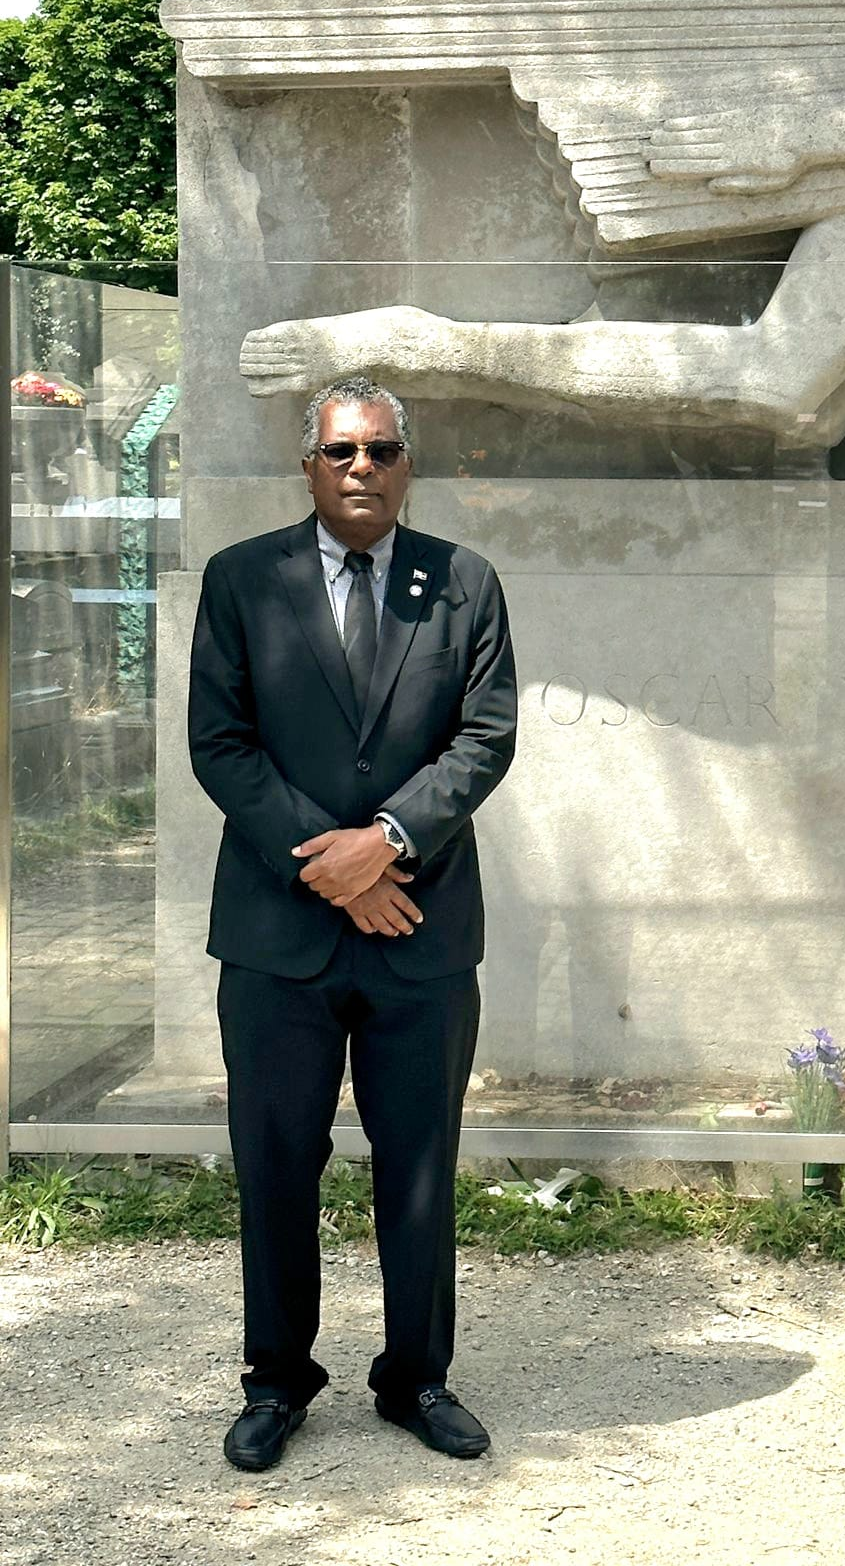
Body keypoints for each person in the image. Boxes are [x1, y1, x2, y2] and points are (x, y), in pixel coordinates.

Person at [187, 374, 519, 1472]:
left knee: (419, 1163)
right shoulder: (242, 580)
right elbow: (220, 742)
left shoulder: (464, 582)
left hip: (422, 929)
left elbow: (485, 737)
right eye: (342, 451)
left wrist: (388, 840)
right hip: (277, 937)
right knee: (276, 1163)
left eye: (381, 448)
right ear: (309, 466)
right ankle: (275, 1381)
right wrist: (337, 870)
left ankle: (417, 1377)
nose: (362, 467)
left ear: (407, 463)